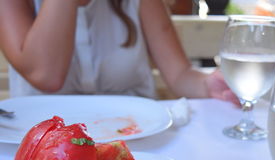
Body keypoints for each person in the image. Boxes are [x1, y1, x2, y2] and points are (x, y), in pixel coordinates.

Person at [0, 0, 237, 104]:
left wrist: (208, 84)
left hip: (134, 143)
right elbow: (46, 76)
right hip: (44, 152)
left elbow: (180, 75)